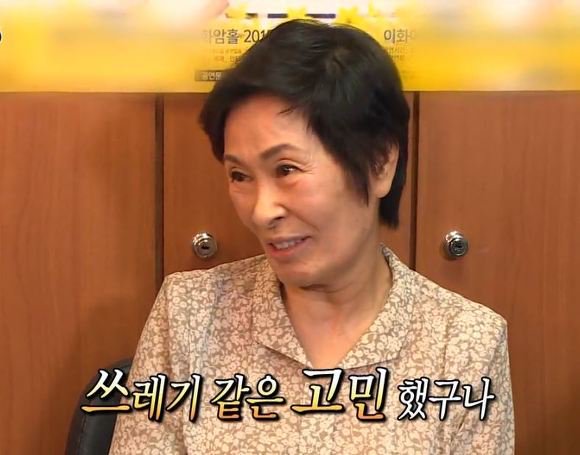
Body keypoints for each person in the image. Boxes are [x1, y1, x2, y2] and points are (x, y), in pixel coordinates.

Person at [109, 19, 514, 454]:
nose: (262, 211)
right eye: (239, 175)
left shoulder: (465, 342)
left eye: (286, 169)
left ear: (379, 164)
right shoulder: (189, 314)